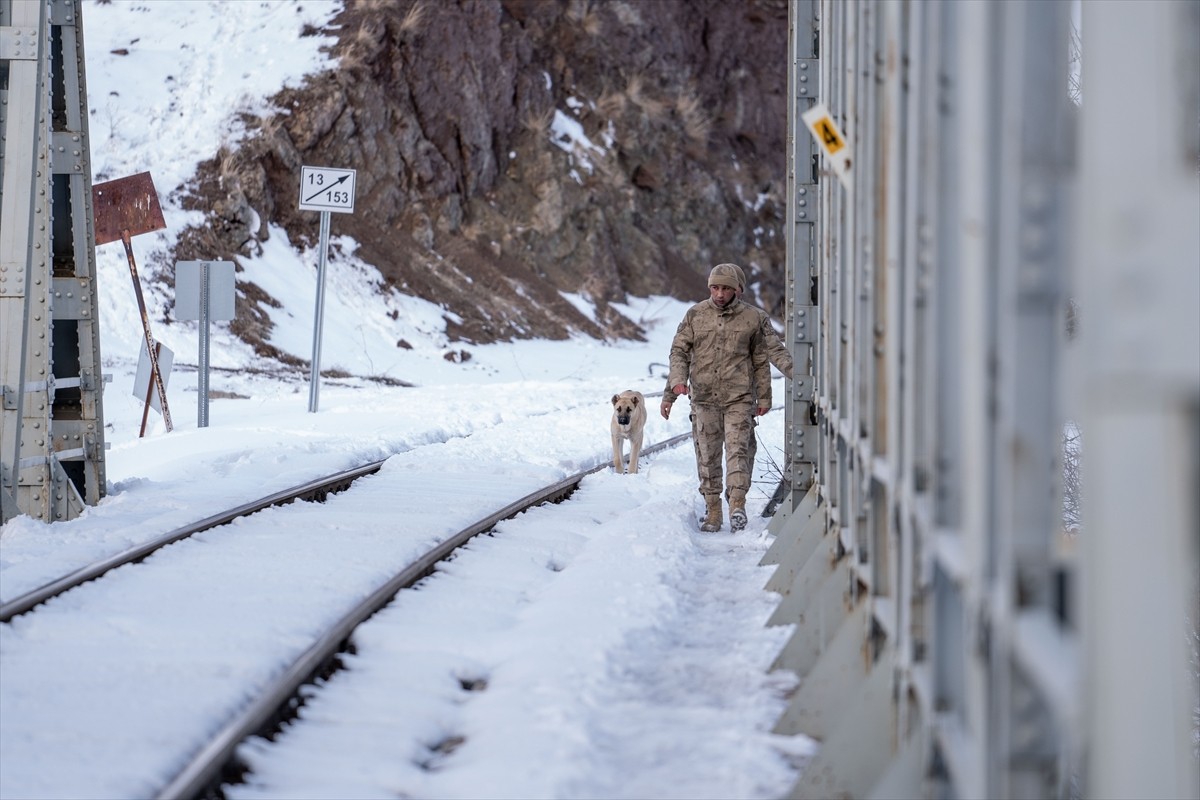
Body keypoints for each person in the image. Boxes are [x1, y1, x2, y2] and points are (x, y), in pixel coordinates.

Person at [660, 264, 794, 523]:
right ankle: (713, 511)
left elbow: (769, 355)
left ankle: (737, 506)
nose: (719, 294)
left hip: (739, 399)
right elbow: (679, 353)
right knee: (707, 456)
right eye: (715, 287)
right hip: (703, 399)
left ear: (738, 290)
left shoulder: (755, 318)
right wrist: (672, 390)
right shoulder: (695, 315)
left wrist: (798, 377)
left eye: (726, 288)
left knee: (739, 451)